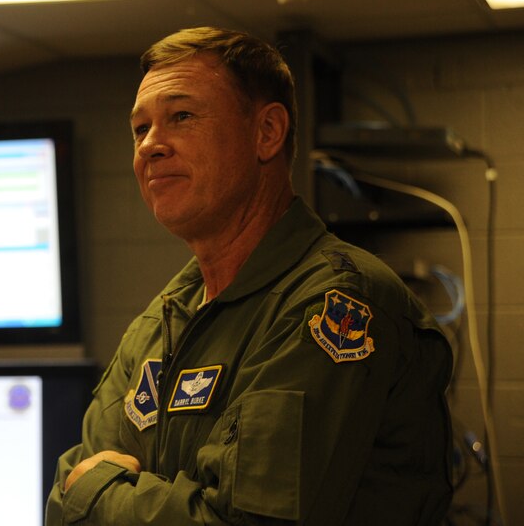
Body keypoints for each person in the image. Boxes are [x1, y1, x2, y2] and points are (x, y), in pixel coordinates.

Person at [44, 27, 453, 525]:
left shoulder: (333, 303)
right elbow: (62, 496)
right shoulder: (163, 319)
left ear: (266, 133)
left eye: (182, 116)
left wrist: (100, 495)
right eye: (139, 128)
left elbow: (90, 494)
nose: (150, 145)